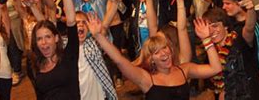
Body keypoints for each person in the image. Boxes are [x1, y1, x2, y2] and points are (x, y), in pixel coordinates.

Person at [86, 12, 221, 99]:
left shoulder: (184, 70)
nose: (164, 53)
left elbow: (215, 68)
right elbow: (120, 61)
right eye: (157, 52)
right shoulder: (146, 79)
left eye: (165, 48)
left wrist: (206, 39)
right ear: (151, 60)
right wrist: (99, 36)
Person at [30, 0, 80, 100]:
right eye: (39, 39)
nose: (44, 42)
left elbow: (71, 20)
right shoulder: (36, 66)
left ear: (56, 38)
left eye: (47, 37)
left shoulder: (69, 56)